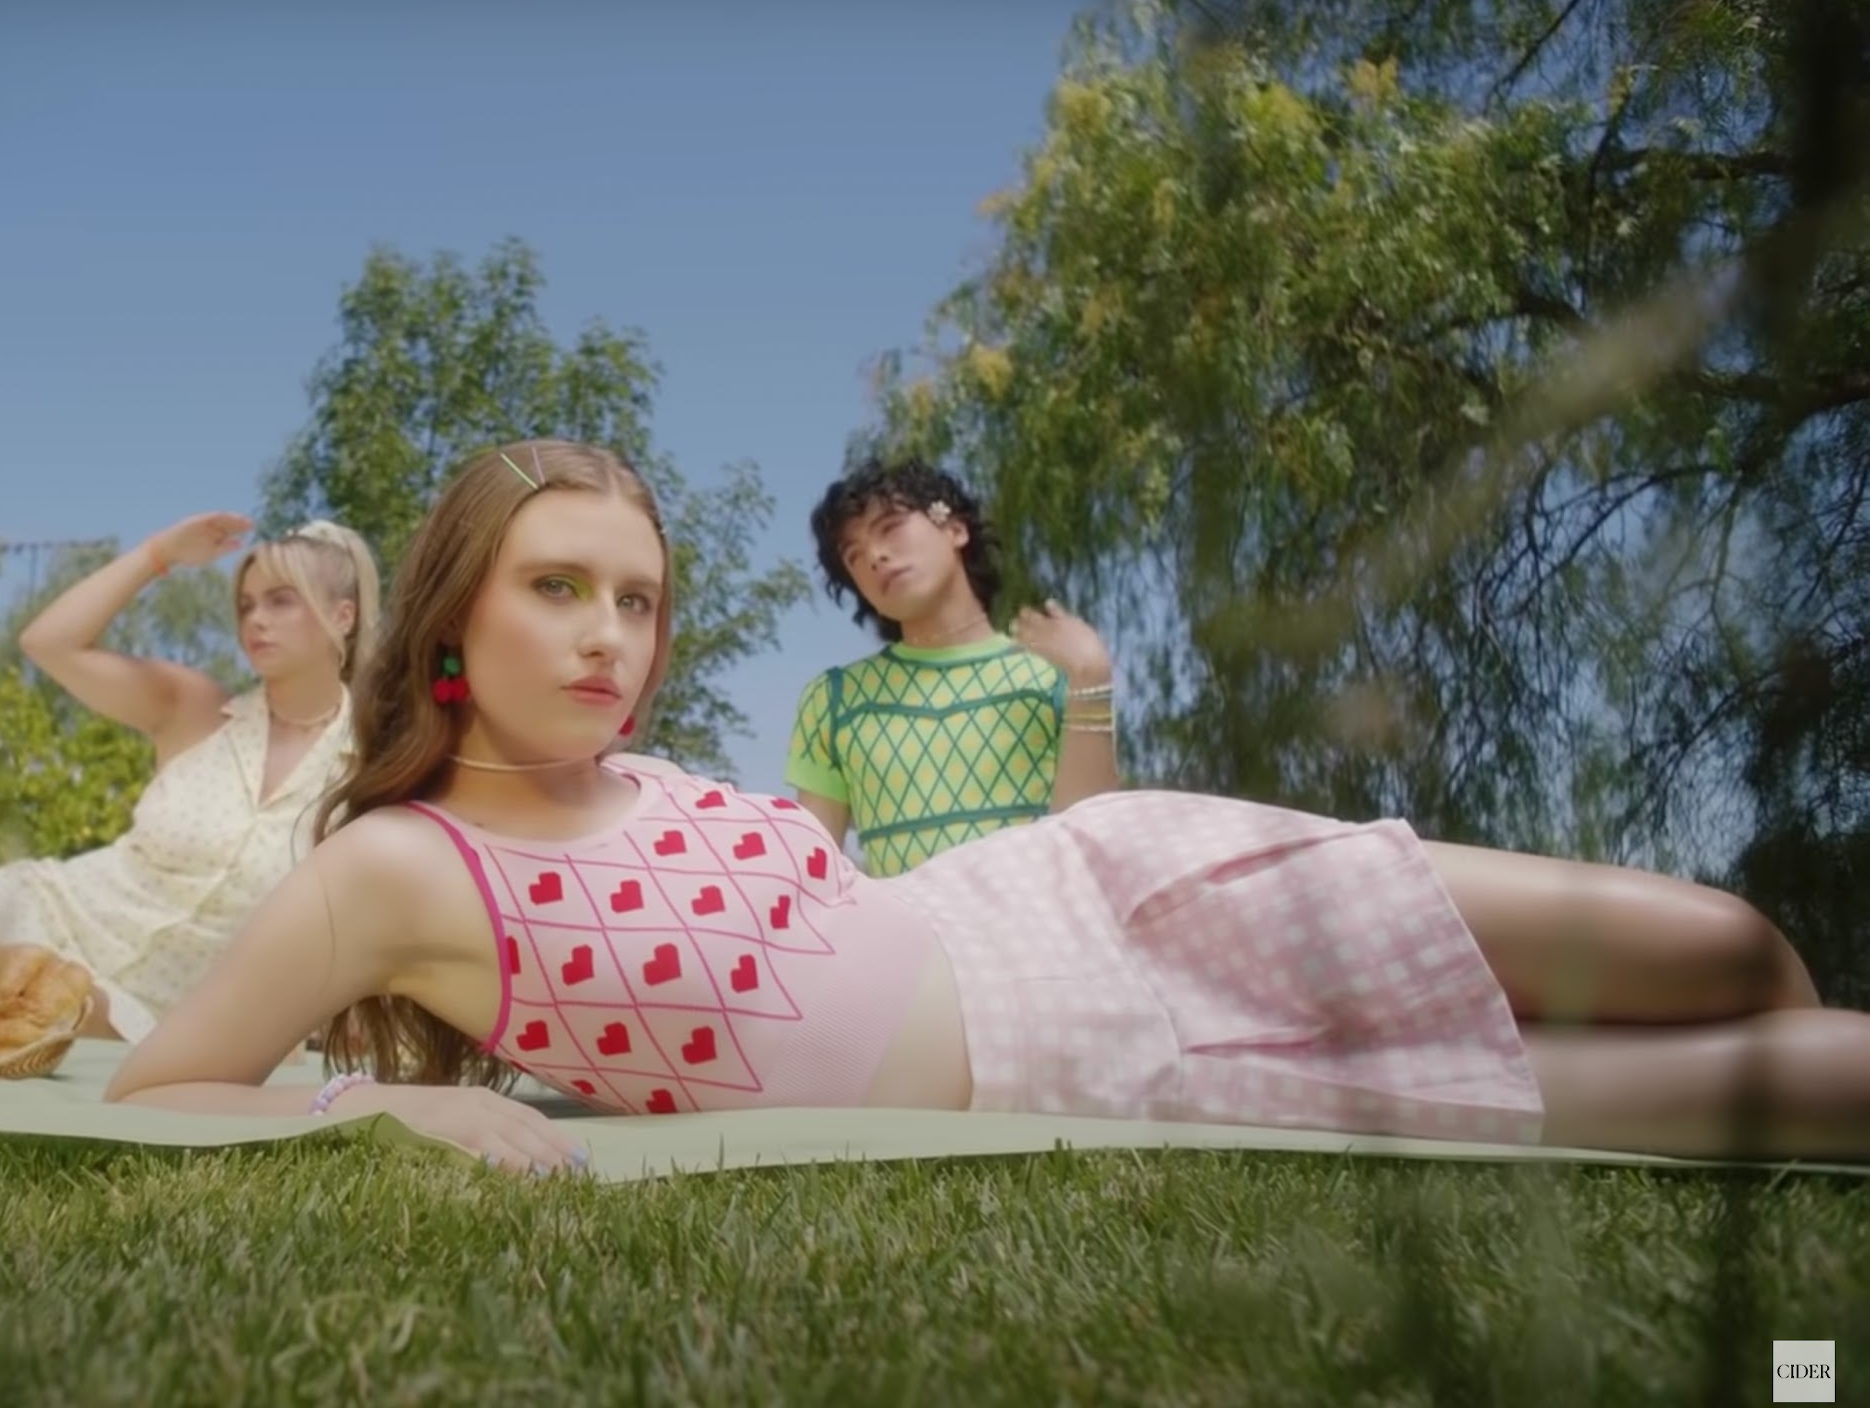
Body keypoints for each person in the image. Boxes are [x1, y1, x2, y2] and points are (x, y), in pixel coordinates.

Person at [103, 438, 1866, 1172]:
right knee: (1801, 1083)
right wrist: (388, 1115)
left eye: (637, 597)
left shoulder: (659, 771)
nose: (611, 633)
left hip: (1111, 877)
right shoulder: (404, 863)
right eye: (559, 587)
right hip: (1094, 1065)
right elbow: (159, 1077)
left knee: (1726, 938)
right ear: (455, 618)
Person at [0, 510, 382, 1042]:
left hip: (150, 1013)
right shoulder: (196, 710)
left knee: (4, 1018)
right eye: (245, 605)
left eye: (280, 600)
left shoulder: (371, 769)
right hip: (49, 911)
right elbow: (49, 642)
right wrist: (160, 555)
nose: (256, 620)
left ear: (344, 616)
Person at [785, 459, 1116, 876]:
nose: (875, 555)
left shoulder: (1053, 674)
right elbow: (815, 879)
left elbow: (1092, 847)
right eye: (853, 555)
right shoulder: (834, 700)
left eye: (890, 527)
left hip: (1039, 933)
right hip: (909, 939)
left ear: (955, 529)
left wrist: (1090, 682)